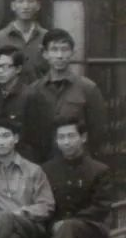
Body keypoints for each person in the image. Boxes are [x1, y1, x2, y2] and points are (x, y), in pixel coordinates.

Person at [31, 29, 108, 157]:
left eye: (64, 49)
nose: (60, 55)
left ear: (72, 53)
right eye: (54, 50)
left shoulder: (88, 89)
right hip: (44, 161)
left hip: (78, 161)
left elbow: (97, 131)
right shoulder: (34, 90)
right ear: (45, 54)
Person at [0, 46, 53, 164]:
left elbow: (42, 139)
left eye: (5, 67)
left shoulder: (32, 96)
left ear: (18, 69)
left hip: (26, 162)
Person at [0, 0, 48, 84]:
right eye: (21, 1)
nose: (25, 6)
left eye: (30, 1)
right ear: (13, 6)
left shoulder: (46, 38)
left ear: (38, 6)